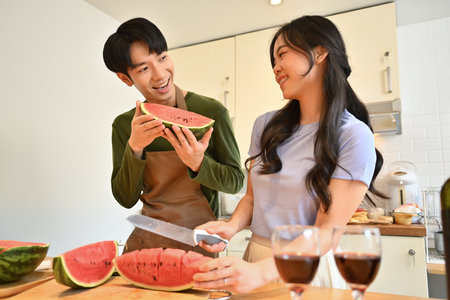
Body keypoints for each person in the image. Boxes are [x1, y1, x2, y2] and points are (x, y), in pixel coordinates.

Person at [193, 15, 387, 292]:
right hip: (255, 258)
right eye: (273, 61)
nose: (275, 68)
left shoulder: (353, 135)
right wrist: (232, 226)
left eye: (282, 55)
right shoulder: (266, 126)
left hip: (306, 269)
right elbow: (251, 197)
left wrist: (261, 272)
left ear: (320, 52)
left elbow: (325, 233)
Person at [102, 18, 244, 257]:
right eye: (144, 68)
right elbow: (125, 199)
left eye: (162, 58)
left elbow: (235, 182)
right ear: (125, 78)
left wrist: (199, 163)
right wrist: (135, 147)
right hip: (146, 242)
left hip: (199, 245)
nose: (160, 74)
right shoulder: (125, 125)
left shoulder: (212, 111)